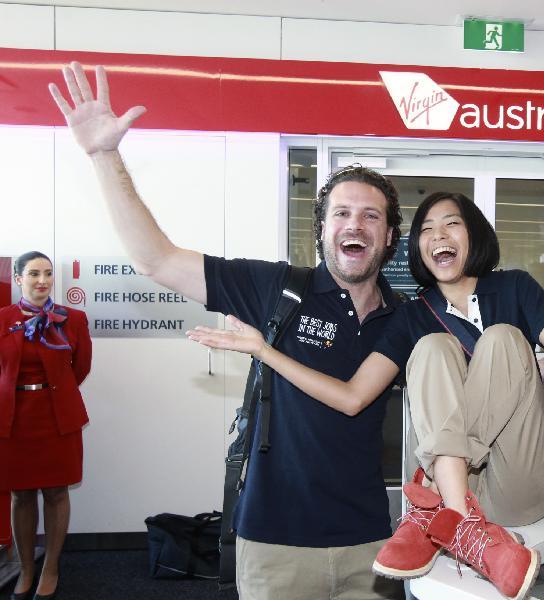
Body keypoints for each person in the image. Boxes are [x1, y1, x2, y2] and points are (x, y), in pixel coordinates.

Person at [187, 191, 544, 600]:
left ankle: (437, 506)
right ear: (415, 246)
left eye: (452, 223)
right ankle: (459, 519)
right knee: (432, 350)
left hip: (522, 480)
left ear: (474, 233)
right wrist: (265, 352)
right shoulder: (410, 317)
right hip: (471, 488)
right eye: (428, 228)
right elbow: (353, 397)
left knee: (507, 340)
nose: (440, 235)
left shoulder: (515, 288)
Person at [48, 62, 404, 600]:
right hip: (275, 544)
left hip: (370, 545)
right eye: (341, 213)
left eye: (371, 216)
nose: (355, 224)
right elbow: (157, 259)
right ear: (322, 228)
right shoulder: (276, 288)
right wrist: (104, 154)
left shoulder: (403, 317)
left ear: (390, 234)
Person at [1, 251, 92, 600]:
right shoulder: (2, 318)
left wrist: (56, 393)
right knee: (20, 495)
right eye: (34, 273)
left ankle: (50, 567)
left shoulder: (73, 319)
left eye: (48, 273)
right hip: (11, 420)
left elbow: (79, 369)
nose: (43, 280)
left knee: (56, 492)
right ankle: (25, 569)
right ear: (19, 278)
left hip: (57, 419)